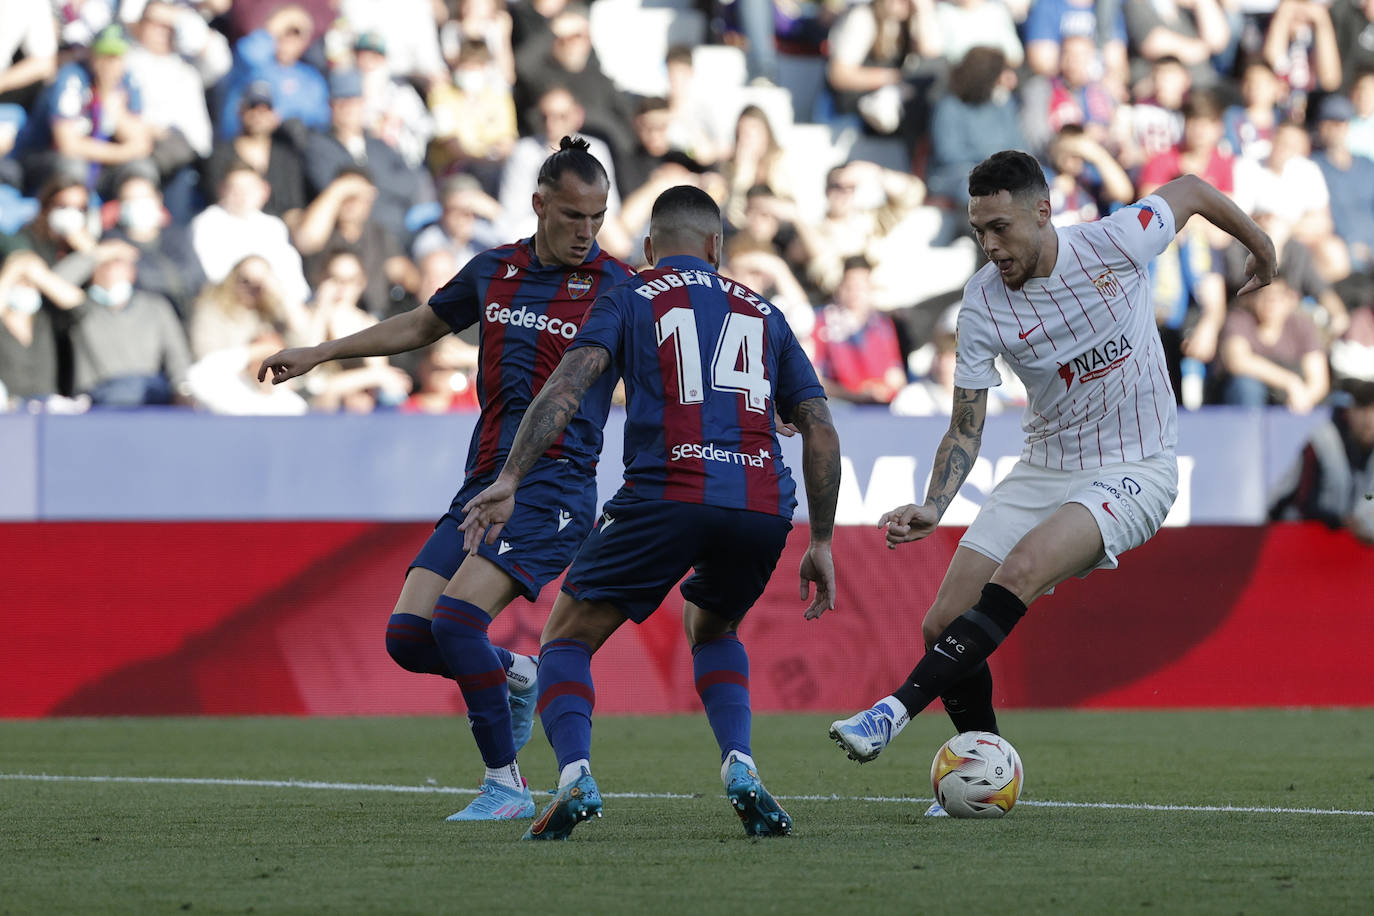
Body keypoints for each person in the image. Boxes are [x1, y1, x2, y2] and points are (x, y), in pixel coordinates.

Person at [827, 150, 1277, 813]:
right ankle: (984, 771)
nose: (991, 246)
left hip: (1136, 467)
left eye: (1001, 227)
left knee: (1026, 565)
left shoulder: (1117, 240)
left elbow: (1189, 189)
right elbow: (965, 427)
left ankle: (890, 713)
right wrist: (934, 503)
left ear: (1043, 211)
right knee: (943, 622)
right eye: (980, 230)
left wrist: (1261, 246)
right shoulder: (982, 301)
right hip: (1045, 464)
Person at [257, 137, 635, 821]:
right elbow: (425, 323)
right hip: (482, 484)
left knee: (459, 621)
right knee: (409, 637)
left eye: (598, 218)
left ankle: (506, 787)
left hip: (553, 487)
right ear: (539, 205)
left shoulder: (617, 287)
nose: (587, 233)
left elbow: (668, 370)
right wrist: (324, 351)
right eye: (574, 216)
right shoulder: (495, 270)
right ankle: (516, 676)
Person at [458, 184, 840, 841]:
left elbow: (568, 386)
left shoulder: (630, 294)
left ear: (650, 247)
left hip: (668, 490)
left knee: (566, 638)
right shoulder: (766, 312)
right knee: (715, 631)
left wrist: (511, 476)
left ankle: (575, 776)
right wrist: (824, 541)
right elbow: (820, 428)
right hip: (760, 502)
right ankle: (740, 763)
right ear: (716, 248)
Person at [1270, 380, 1374, 543]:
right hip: (1293, 539)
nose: (1368, 419)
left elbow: (1368, 497)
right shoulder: (1323, 440)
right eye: (1363, 409)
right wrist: (1341, 521)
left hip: (1344, 548)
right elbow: (1302, 503)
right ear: (1349, 411)